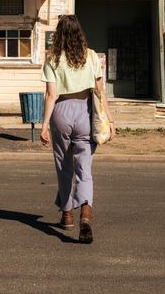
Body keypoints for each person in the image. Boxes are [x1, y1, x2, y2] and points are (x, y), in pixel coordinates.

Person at [40, 14, 115, 244]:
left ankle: (67, 214)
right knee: (84, 168)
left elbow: (51, 95)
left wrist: (44, 126)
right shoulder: (92, 56)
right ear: (80, 33)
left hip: (61, 112)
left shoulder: (52, 59)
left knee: (64, 166)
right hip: (86, 112)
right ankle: (85, 213)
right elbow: (101, 94)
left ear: (59, 35)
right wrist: (110, 122)